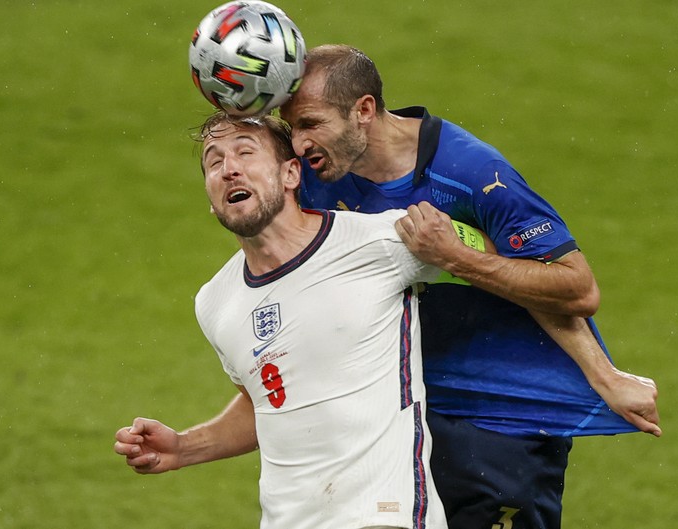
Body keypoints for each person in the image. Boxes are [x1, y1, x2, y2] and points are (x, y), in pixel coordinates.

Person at [278, 44, 661, 529]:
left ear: (365, 110)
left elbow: (576, 289)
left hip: (502, 421)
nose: (297, 143)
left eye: (310, 124)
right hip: (401, 418)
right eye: (290, 127)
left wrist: (455, 257)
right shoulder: (313, 179)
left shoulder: (471, 172)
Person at [114, 111, 448, 529]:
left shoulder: (379, 242)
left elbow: (493, 254)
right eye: (213, 162)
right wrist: (184, 447)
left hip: (383, 514)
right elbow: (270, 399)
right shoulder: (216, 302)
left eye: (245, 153)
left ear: (291, 174)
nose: (229, 169)